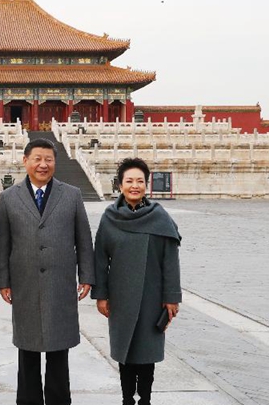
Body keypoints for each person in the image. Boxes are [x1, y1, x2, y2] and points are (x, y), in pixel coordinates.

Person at [0, 138, 94, 405]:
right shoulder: (9, 197)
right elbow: (1, 243)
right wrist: (3, 280)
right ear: (25, 161)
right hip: (24, 282)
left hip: (60, 283)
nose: (43, 164)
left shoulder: (71, 194)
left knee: (59, 349)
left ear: (55, 163)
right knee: (27, 349)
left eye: (48, 159)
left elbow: (84, 239)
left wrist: (86, 276)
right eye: (37, 158)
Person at [92, 157, 182, 405]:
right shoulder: (110, 217)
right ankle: (126, 399)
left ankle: (145, 399)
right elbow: (100, 258)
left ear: (146, 185)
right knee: (126, 352)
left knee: (147, 353)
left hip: (152, 296)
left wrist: (171, 297)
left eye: (140, 181)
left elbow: (170, 260)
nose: (135, 186)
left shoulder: (160, 217)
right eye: (129, 181)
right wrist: (101, 295)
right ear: (120, 185)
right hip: (120, 296)